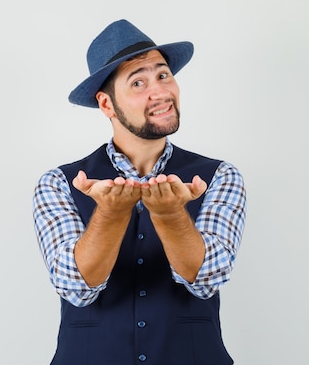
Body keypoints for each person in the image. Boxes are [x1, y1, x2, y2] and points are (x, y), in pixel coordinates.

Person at [32, 19, 246, 365]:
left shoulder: (219, 176)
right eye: (138, 82)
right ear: (106, 104)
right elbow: (75, 287)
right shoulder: (59, 183)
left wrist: (170, 214)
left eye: (163, 75)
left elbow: (207, 278)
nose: (160, 92)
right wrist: (110, 213)